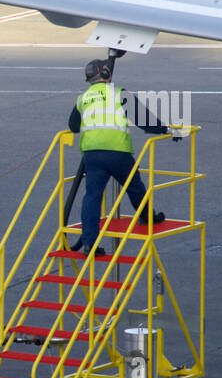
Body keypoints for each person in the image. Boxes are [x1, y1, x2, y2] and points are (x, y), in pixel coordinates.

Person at [67, 57, 169, 254]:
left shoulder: (83, 98)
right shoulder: (118, 93)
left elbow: (73, 126)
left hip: (92, 154)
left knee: (92, 196)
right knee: (135, 186)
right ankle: (148, 216)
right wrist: (164, 129)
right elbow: (144, 120)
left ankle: (89, 243)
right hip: (117, 152)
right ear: (105, 73)